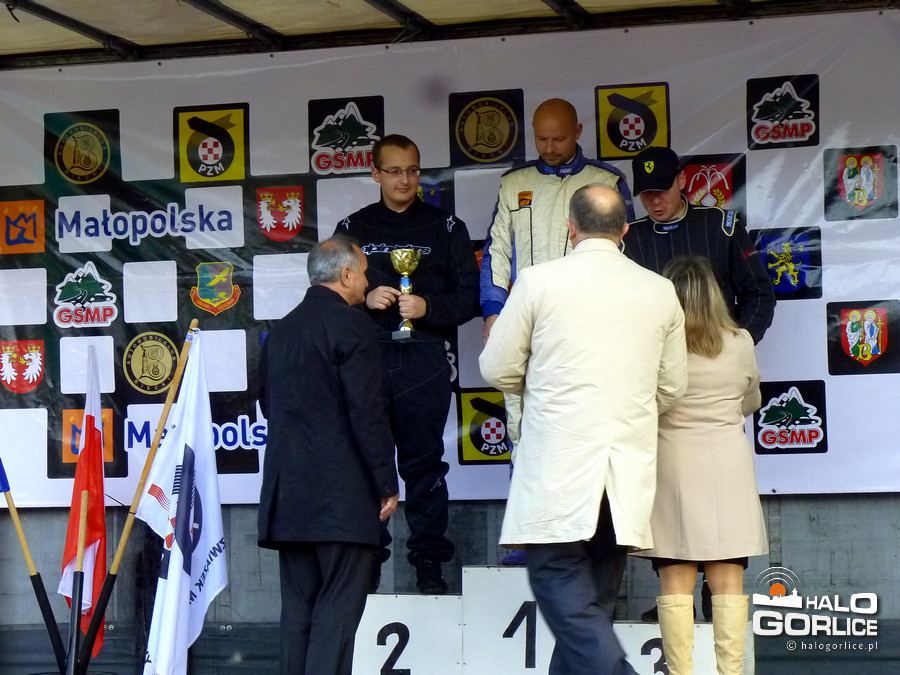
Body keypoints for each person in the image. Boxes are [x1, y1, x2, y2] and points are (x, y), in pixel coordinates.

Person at [479, 185, 687, 675]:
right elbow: (672, 387)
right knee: (592, 607)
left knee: (561, 589)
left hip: (560, 467)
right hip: (624, 474)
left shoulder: (537, 281)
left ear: (570, 228)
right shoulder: (659, 290)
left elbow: (496, 367)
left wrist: (540, 386)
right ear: (626, 230)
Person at [480, 97, 634, 568]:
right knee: (521, 423)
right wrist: (493, 312)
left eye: (559, 138)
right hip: (527, 322)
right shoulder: (514, 184)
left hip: (587, 328)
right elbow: (495, 250)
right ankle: (527, 534)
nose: (548, 147)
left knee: (583, 428)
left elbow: (624, 253)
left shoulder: (607, 182)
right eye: (541, 138)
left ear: (578, 131)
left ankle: (584, 534)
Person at [334, 134, 480, 594]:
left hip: (425, 361)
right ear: (375, 173)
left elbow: (470, 298)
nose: (405, 179)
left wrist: (429, 307)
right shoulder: (353, 228)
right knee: (367, 464)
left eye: (413, 170)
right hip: (368, 360)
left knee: (425, 466)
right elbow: (329, 295)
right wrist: (363, 300)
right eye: (394, 171)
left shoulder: (446, 227)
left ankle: (429, 566)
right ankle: (367, 566)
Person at [257, 236, 400, 675]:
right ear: (346, 275)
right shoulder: (353, 325)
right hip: (342, 499)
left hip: (289, 498)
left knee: (297, 617)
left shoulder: (280, 331)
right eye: (365, 272)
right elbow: (367, 412)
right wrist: (386, 483)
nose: (367, 282)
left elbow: (268, 405)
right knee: (335, 617)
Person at [632, 256, 768, 675]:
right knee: (729, 583)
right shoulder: (741, 341)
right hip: (728, 468)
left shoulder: (652, 345)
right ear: (714, 294)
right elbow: (751, 401)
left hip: (671, 467)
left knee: (675, 582)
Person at [623, 146, 775, 345]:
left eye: (662, 189)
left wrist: (739, 344)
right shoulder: (628, 239)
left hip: (715, 351)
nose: (655, 200)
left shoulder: (720, 225)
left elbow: (760, 293)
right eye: (647, 192)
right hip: (657, 357)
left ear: (681, 180)